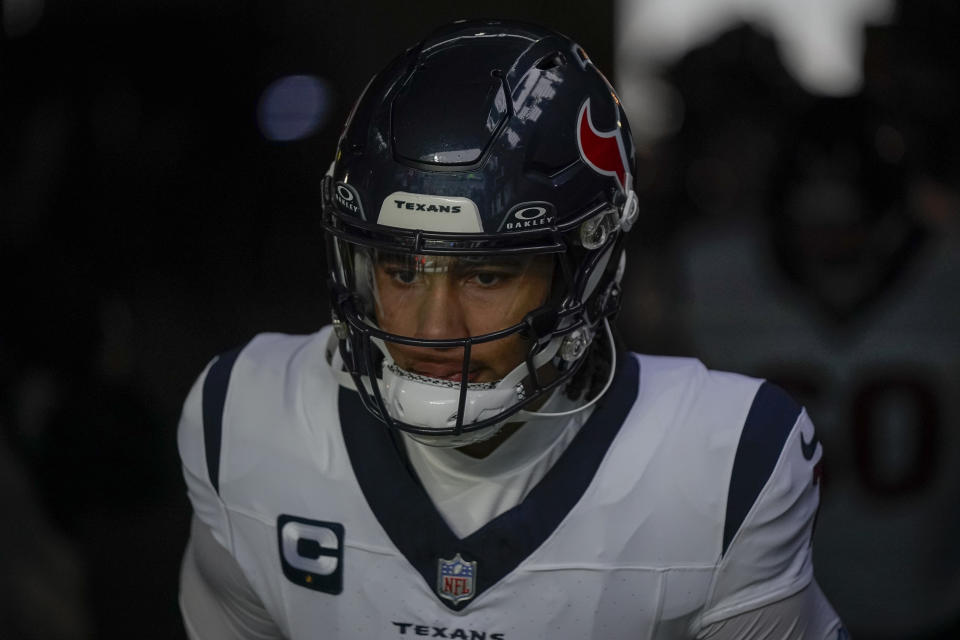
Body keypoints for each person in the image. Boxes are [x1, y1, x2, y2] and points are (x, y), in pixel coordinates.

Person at [177, 19, 848, 639]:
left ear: (588, 265)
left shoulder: (726, 463)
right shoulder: (241, 422)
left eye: (487, 276)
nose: (432, 327)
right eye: (401, 270)